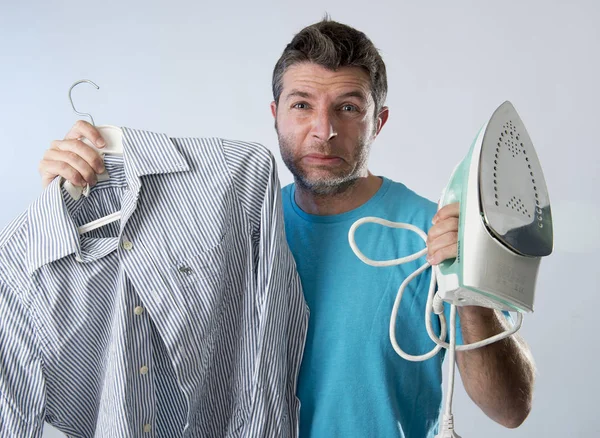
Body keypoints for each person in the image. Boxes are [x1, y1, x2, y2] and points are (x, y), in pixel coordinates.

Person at [37, 17, 535, 438]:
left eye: (348, 107)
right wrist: (73, 203)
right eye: (302, 105)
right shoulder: (234, 227)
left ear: (378, 121)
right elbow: (126, 335)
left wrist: (473, 293)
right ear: (275, 116)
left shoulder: (433, 231)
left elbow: (511, 409)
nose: (324, 129)